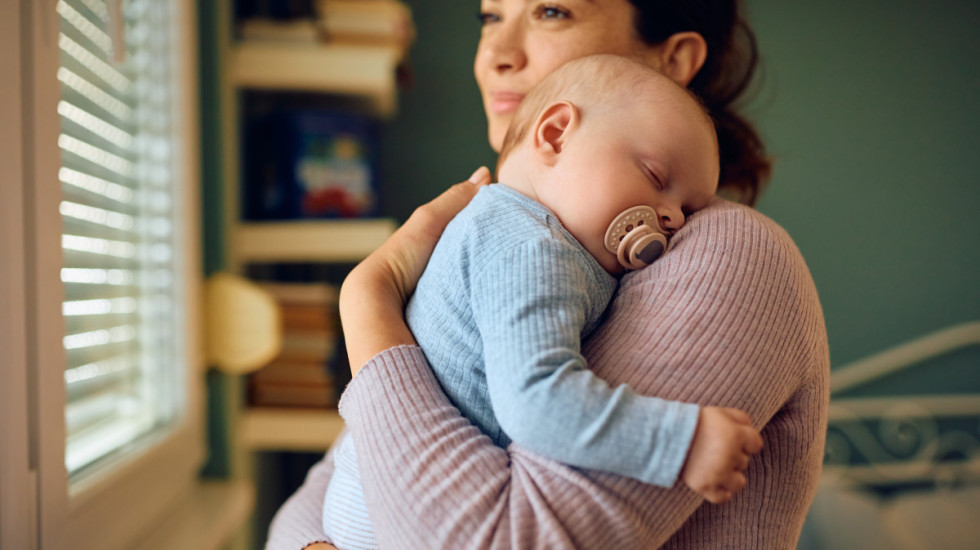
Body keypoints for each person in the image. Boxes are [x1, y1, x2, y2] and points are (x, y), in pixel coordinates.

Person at [266, 1, 829, 548]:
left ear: (673, 58)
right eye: (490, 17)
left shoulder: (728, 254)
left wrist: (369, 306)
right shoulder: (521, 234)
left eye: (551, 11)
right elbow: (323, 489)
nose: (496, 54)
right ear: (555, 135)